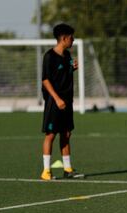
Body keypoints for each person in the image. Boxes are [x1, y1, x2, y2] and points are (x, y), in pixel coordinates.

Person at [40, 23, 84, 180]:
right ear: (64, 38)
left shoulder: (67, 56)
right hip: (54, 101)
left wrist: (73, 68)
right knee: (51, 134)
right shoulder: (49, 56)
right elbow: (45, 80)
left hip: (67, 100)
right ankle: (46, 171)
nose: (73, 40)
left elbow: (64, 74)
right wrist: (57, 99)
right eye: (71, 37)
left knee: (66, 133)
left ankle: (68, 169)